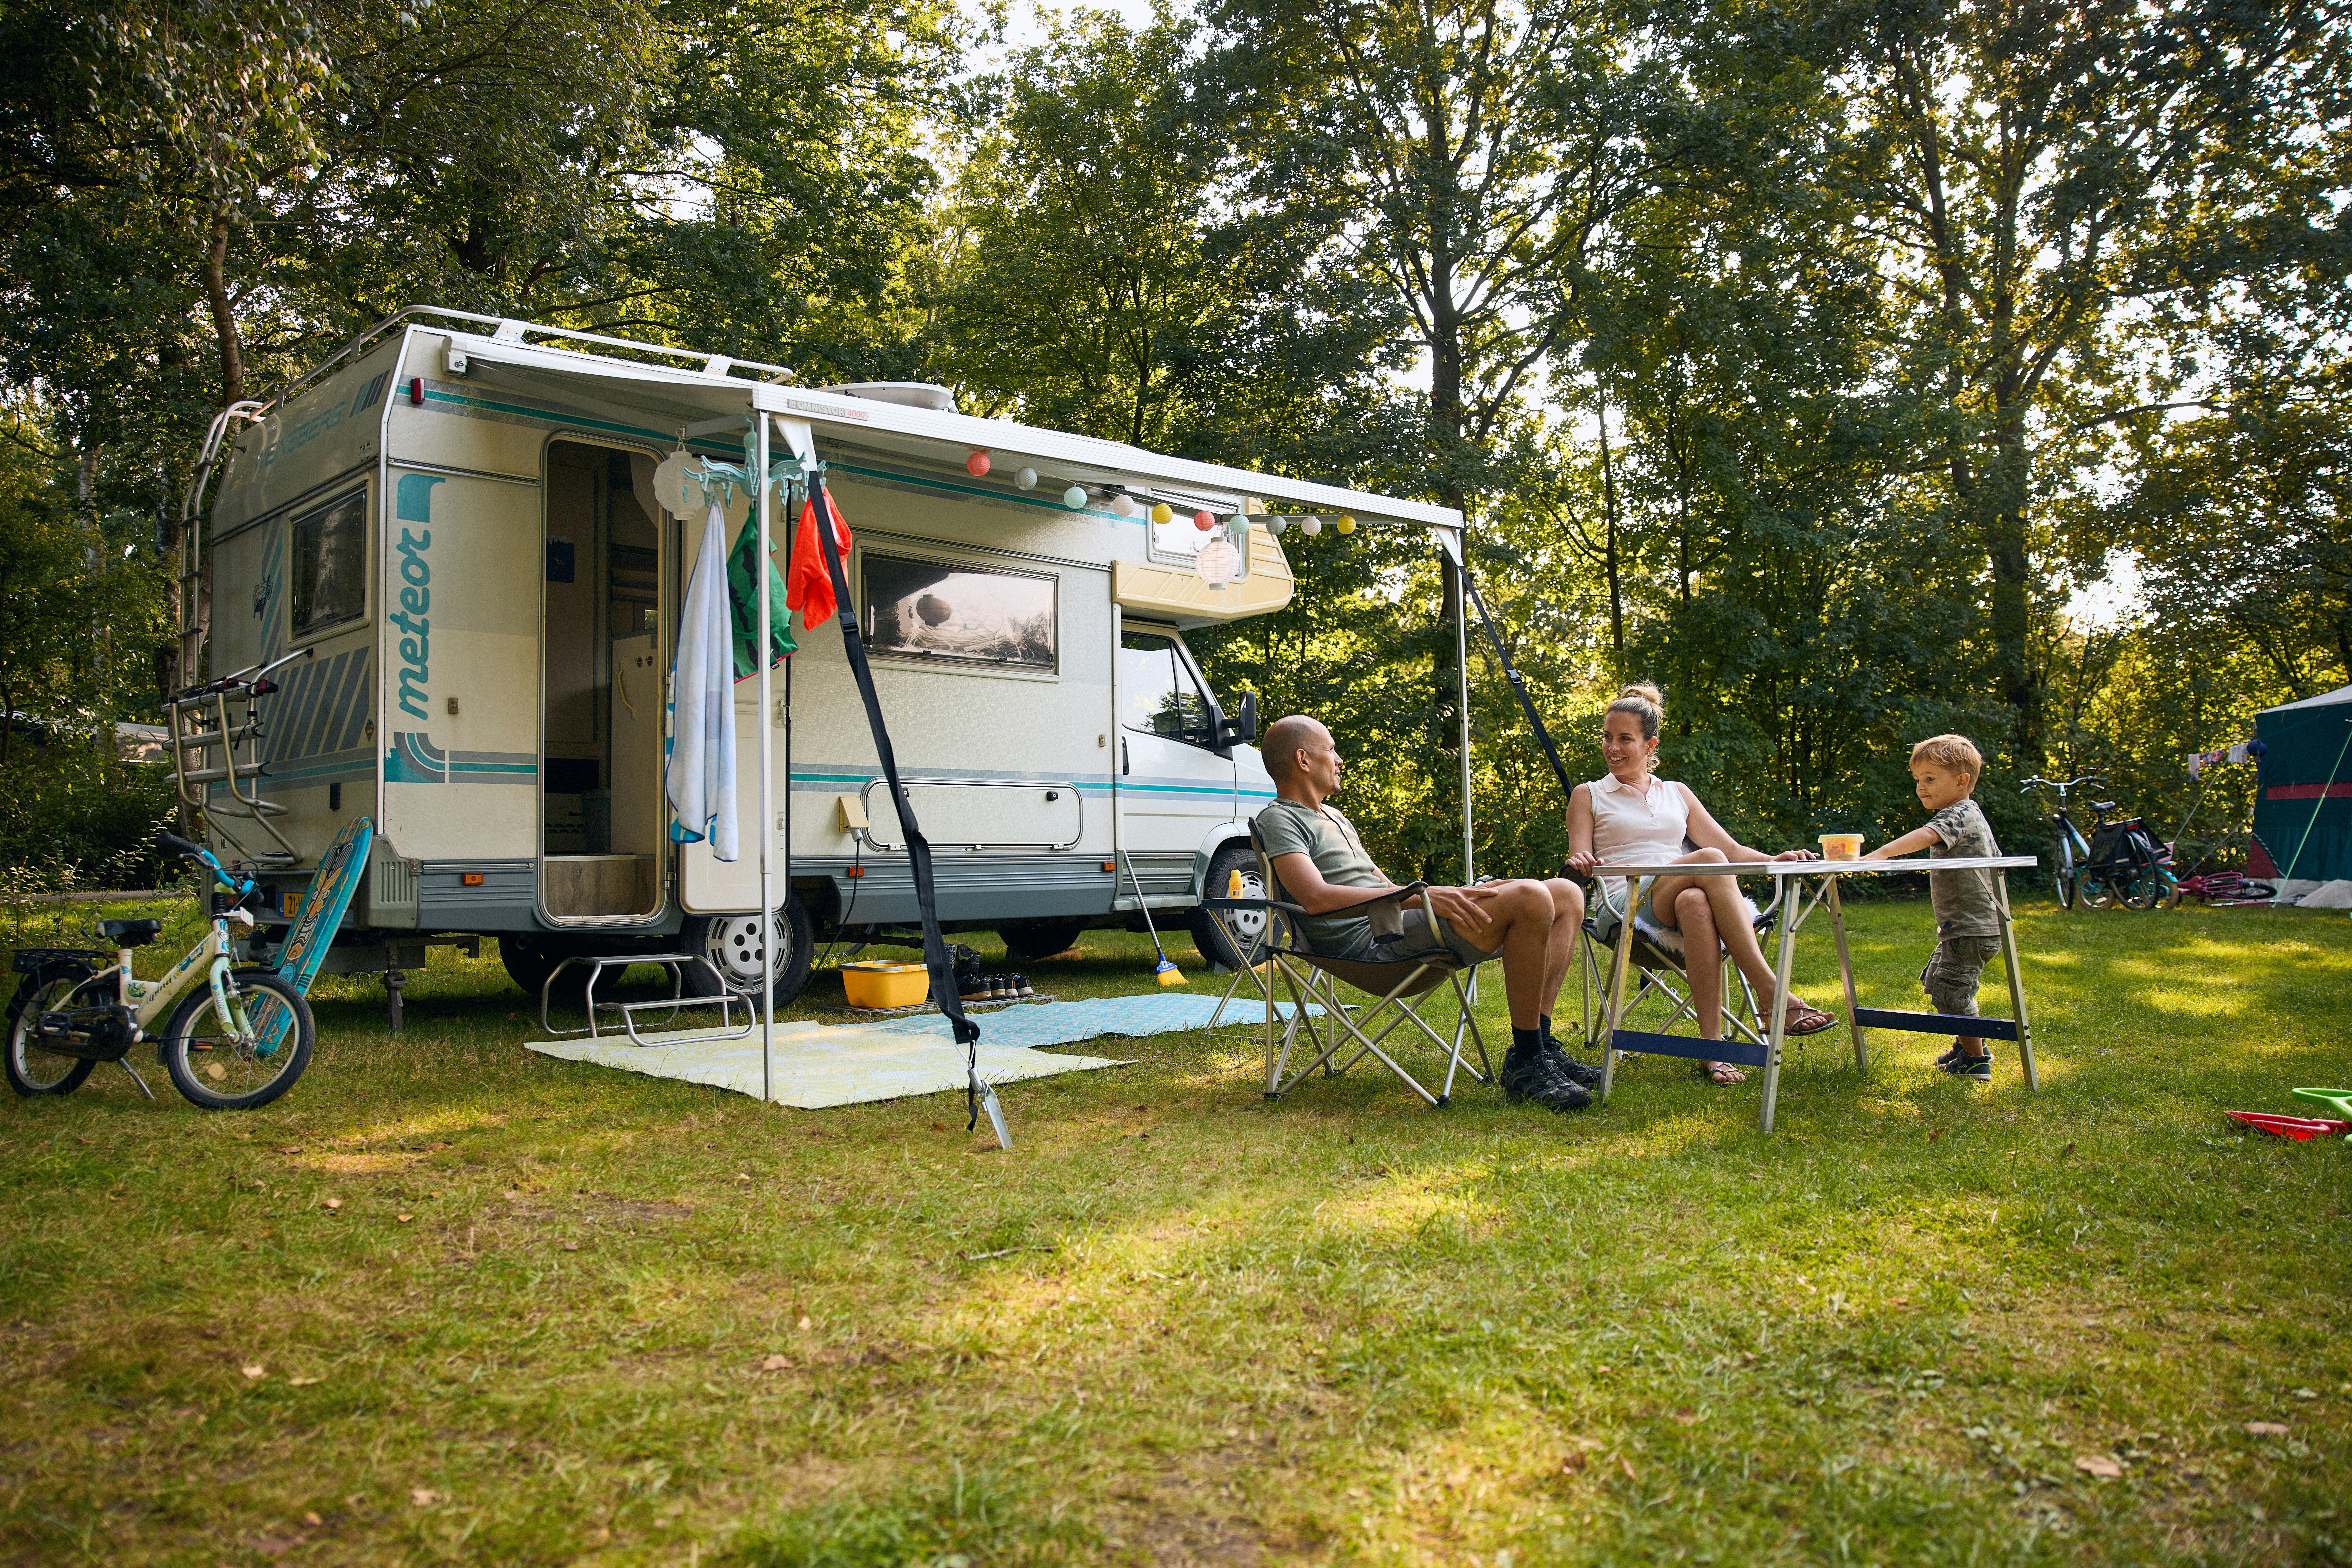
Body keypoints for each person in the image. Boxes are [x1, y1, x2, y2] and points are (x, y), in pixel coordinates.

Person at [1255, 714, 1598, 1112]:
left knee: (1567, 894)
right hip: (1369, 946)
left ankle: (1540, 1043)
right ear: (1303, 760)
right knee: (1532, 897)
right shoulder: (1279, 818)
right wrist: (1425, 898)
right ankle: (1526, 1062)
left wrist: (1454, 893)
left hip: (1395, 925)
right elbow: (1314, 898)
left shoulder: (1335, 817)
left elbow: (1384, 887)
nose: (1339, 759)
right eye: (1331, 749)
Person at [1565, 684, 1838, 1085]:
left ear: (1650, 743)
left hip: (1677, 897)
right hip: (1624, 901)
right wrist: (1580, 861)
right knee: (1708, 861)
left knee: (1696, 900)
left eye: (1625, 738)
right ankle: (1771, 992)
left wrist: (1773, 860)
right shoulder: (1588, 794)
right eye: (1608, 737)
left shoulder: (1677, 793)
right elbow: (1578, 860)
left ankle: (1712, 1050)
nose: (1613, 747)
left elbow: (1729, 847)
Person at [1862, 733, 2004, 1080]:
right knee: (1940, 982)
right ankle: (1966, 1044)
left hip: (1971, 927)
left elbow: (1925, 835)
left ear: (1961, 781)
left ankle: (1976, 1060)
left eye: (1929, 779)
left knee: (1951, 992)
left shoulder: (1959, 813)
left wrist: (1881, 853)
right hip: (1965, 926)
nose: (1921, 788)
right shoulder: (1968, 815)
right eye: (1917, 781)